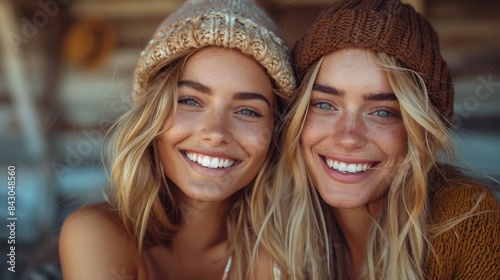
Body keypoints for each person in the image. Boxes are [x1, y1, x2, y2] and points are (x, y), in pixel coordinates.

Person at [257, 0, 499, 279]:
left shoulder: (467, 222)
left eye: (382, 112)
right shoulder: (266, 219)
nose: (348, 137)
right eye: (324, 104)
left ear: (418, 130)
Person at [58, 0, 296, 279]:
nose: (216, 132)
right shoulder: (96, 233)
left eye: (247, 110)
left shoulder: (284, 255)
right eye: (190, 101)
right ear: (151, 115)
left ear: (275, 131)